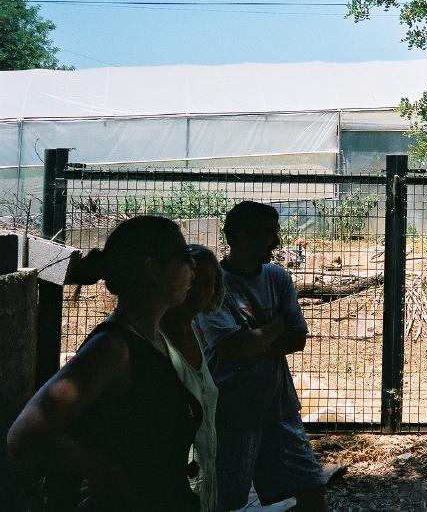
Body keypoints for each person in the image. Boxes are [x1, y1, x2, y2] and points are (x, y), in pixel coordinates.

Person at [7, 216, 201, 511]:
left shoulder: (153, 340)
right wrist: (106, 472)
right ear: (153, 269)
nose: (194, 266)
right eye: (185, 257)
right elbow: (25, 435)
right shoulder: (112, 349)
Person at [197, 201, 325, 512]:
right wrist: (276, 325)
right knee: (224, 500)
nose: (276, 241)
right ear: (241, 236)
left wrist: (253, 341)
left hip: (277, 407)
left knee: (311, 490)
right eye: (269, 233)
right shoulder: (214, 283)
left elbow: (297, 339)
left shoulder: (277, 277)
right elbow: (230, 347)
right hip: (230, 412)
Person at [162, 244, 224, 512]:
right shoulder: (152, 339)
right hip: (168, 487)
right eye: (193, 280)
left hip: (200, 481)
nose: (200, 290)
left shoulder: (196, 334)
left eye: (209, 282)